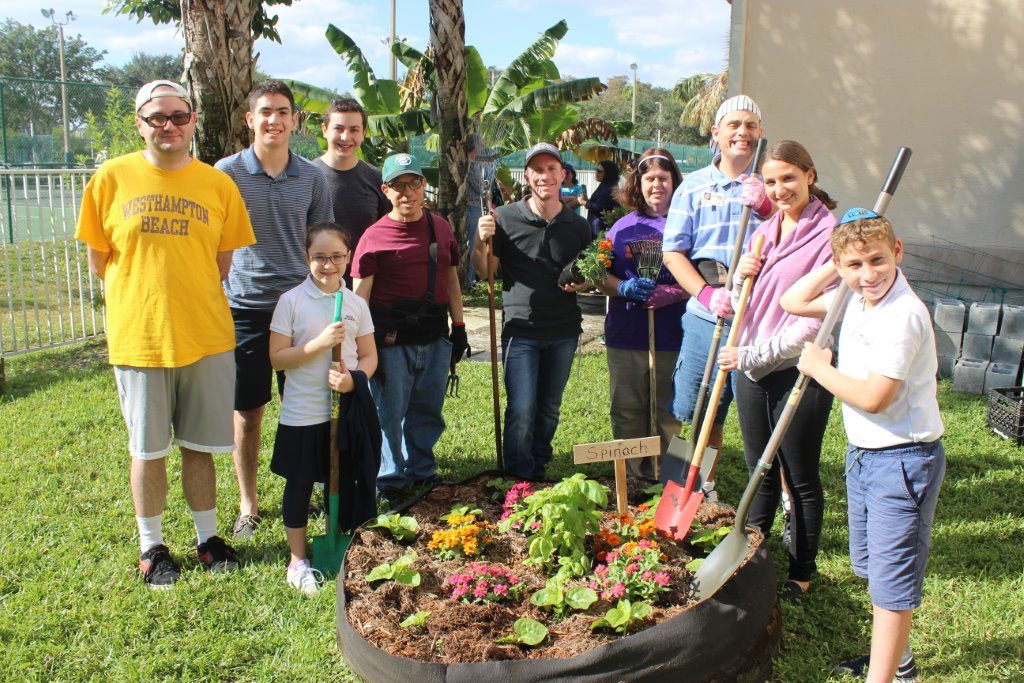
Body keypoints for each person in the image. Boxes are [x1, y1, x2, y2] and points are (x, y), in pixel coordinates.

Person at [75, 80, 256, 588]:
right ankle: (151, 547)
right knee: (148, 449)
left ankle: (207, 539)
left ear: (193, 119)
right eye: (157, 117)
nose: (169, 125)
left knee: (200, 445)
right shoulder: (110, 178)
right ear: (140, 123)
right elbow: (99, 261)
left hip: (206, 335)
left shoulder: (217, 185)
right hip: (141, 337)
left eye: (178, 115)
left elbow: (221, 264)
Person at [782, 209, 945, 682]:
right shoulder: (856, 299)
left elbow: (875, 398)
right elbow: (794, 299)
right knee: (875, 572)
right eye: (855, 265)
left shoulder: (902, 315)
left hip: (903, 461)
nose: (867, 274)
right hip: (866, 456)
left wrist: (818, 367)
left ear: (898, 252)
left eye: (877, 260)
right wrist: (842, 259)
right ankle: (899, 663)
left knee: (891, 586)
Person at [715, 140, 837, 601]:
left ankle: (802, 572)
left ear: (810, 174)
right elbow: (747, 298)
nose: (780, 188)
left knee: (799, 473)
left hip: (796, 368)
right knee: (757, 468)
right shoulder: (764, 231)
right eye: (770, 181)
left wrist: (751, 356)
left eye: (789, 177)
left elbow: (813, 324)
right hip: (752, 368)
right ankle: (753, 552)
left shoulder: (828, 236)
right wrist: (741, 272)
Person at [216, 80, 334, 540]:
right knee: (249, 409)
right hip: (245, 307)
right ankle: (248, 503)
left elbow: (319, 241)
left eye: (283, 112)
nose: (274, 120)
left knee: (308, 402)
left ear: (295, 121)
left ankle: (316, 489)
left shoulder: (312, 176)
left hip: (299, 306)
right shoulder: (225, 174)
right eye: (265, 112)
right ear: (250, 119)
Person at [660, 94, 769, 488]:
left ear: (761, 133)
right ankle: (688, 492)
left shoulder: (771, 183)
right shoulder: (692, 187)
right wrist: (706, 294)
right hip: (709, 314)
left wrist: (769, 206)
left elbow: (801, 234)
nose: (743, 133)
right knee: (699, 412)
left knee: (769, 419)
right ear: (716, 133)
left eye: (751, 125)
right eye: (734, 125)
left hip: (761, 319)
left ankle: (783, 502)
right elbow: (673, 252)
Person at [352, 153, 468, 503]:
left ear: (423, 185)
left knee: (427, 410)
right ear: (386, 190)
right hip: (390, 341)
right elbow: (360, 297)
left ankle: (421, 470)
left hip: (434, 336)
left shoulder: (440, 228)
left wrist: (459, 325)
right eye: (399, 186)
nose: (408, 193)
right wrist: (361, 344)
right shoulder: (373, 237)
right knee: (389, 411)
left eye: (414, 183)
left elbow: (451, 279)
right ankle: (391, 478)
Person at [473, 142, 592, 481]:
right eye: (537, 170)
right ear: (527, 176)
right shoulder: (504, 218)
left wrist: (581, 285)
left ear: (563, 175)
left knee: (549, 409)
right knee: (522, 409)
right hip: (520, 330)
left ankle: (537, 467)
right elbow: (485, 272)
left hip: (564, 331)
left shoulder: (577, 225)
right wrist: (482, 240)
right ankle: (518, 476)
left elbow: (587, 275)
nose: (545, 176)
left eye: (551, 169)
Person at [268, 222, 377, 594]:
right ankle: (298, 559)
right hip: (303, 413)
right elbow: (277, 358)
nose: (328, 265)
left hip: (343, 414)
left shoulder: (356, 304)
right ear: (306, 258)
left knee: (343, 479)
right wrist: (319, 344)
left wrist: (353, 380)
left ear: (348, 258)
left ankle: (342, 540)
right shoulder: (291, 301)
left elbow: (369, 356)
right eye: (319, 257)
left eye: (336, 257)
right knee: (299, 484)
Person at [594, 148, 687, 482]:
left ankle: (667, 479)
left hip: (673, 335)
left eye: (664, 178)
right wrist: (623, 287)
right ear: (639, 183)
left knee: (667, 411)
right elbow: (597, 274)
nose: (657, 185)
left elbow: (704, 281)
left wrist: (672, 292)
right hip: (627, 334)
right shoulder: (621, 228)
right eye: (650, 178)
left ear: (675, 182)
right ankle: (632, 478)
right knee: (629, 409)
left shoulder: (687, 224)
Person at [313, 98, 391, 253]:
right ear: (324, 130)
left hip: (365, 276)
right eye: (339, 129)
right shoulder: (306, 177)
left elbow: (388, 234)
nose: (345, 137)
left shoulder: (378, 179)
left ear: (363, 133)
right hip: (316, 276)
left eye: (354, 130)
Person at [586, 160, 621, 234]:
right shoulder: (605, 185)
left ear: (608, 174)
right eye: (596, 170)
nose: (596, 173)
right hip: (597, 225)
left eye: (599, 171)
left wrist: (585, 203)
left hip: (600, 227)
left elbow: (601, 208)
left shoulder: (608, 188)